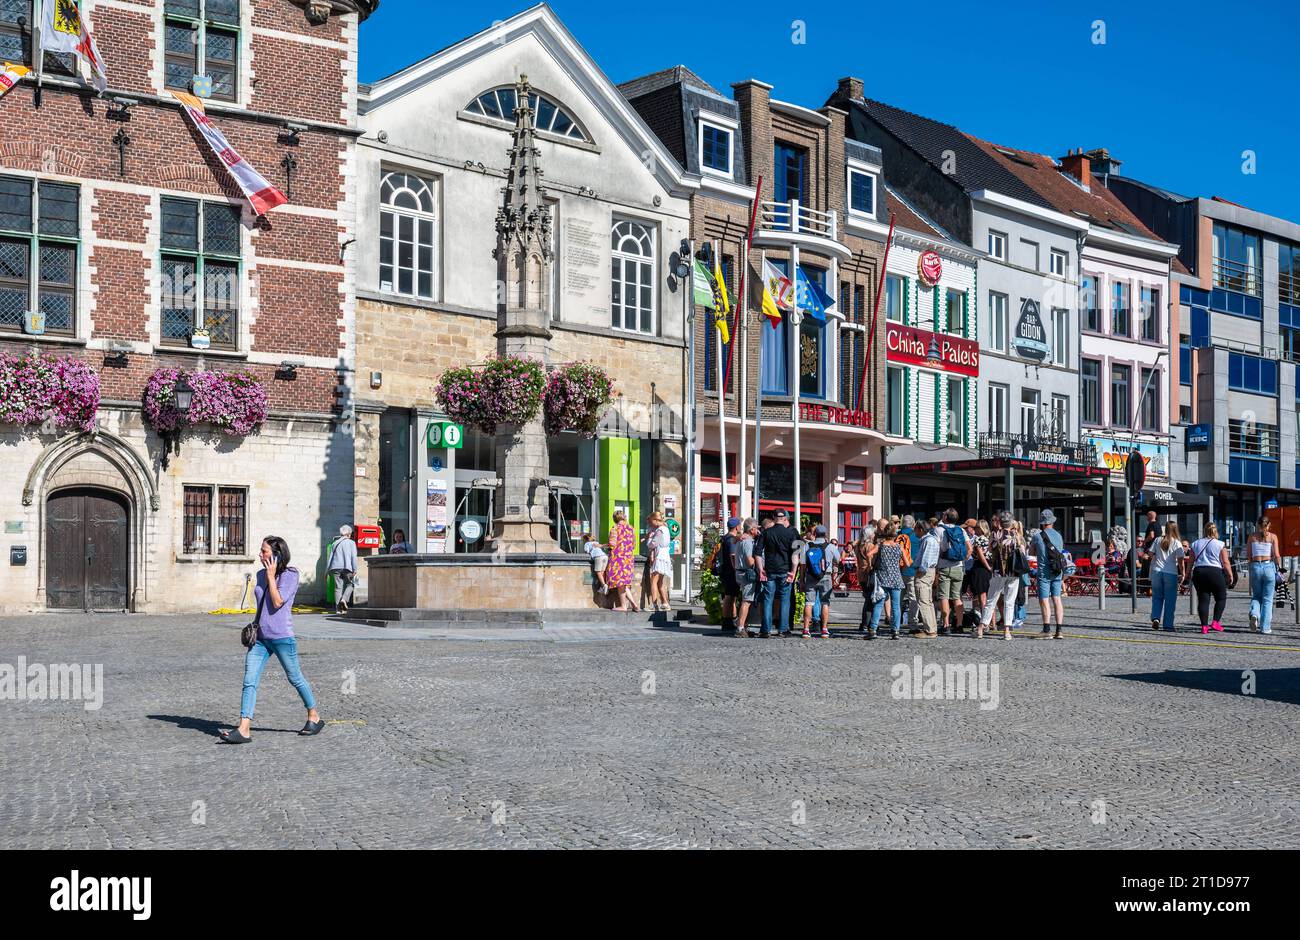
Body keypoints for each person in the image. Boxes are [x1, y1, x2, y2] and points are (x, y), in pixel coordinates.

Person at [220, 536, 323, 743]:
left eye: (264, 551)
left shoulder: (290, 575)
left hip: (282, 637)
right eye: (260, 551)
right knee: (249, 680)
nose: (260, 554)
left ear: (276, 555)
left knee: (294, 677)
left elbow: (277, 602)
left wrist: (271, 575)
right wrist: (266, 575)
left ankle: (314, 715)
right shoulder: (259, 574)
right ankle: (244, 728)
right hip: (260, 639)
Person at [755, 509, 798, 637]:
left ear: (773, 518)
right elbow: (796, 555)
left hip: (770, 570)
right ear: (784, 518)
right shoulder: (791, 533)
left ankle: (766, 629)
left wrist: (760, 570)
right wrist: (793, 572)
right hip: (785, 570)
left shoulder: (766, 533)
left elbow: (757, 553)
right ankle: (783, 629)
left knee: (768, 599)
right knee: (785, 600)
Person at [979, 511, 1022, 641]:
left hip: (998, 570)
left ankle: (981, 627)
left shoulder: (995, 534)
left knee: (991, 599)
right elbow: (1021, 550)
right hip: (1013, 571)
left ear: (1000, 522)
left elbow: (990, 550)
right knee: (1009, 601)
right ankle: (1007, 631)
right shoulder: (1016, 535)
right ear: (1011, 521)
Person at [1191, 522, 1235, 634]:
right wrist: (1230, 575)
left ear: (1204, 531)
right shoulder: (1220, 544)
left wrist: (1187, 574)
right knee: (1221, 598)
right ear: (1215, 531)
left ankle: (1204, 626)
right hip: (1214, 572)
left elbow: (1191, 561)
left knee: (1203, 599)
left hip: (1199, 572)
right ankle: (1215, 621)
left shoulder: (1195, 544)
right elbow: (1225, 562)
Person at [799, 524, 840, 639]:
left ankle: (806, 630)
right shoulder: (830, 546)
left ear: (814, 534)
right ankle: (824, 630)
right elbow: (838, 559)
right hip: (826, 577)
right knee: (825, 602)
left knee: (808, 603)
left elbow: (802, 564)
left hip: (810, 577)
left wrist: (801, 580)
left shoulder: (807, 545)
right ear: (825, 534)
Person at [864, 521, 904, 640]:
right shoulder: (899, 546)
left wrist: (871, 565)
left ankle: (873, 630)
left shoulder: (881, 545)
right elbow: (907, 562)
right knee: (896, 606)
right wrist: (898, 567)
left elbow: (869, 554)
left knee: (879, 604)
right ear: (895, 534)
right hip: (896, 578)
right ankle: (895, 631)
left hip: (882, 578)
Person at [1032, 509, 1067, 639]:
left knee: (1044, 600)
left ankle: (1046, 629)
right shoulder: (1059, 536)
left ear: (1042, 523)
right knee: (1057, 599)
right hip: (1057, 570)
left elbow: (1031, 552)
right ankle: (1059, 630)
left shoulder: (1037, 536)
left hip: (1044, 572)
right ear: (1052, 521)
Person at [1147, 521, 1186, 632]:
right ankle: (1168, 625)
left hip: (1156, 571)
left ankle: (1156, 618)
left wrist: (1156, 556)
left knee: (1157, 597)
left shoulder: (1158, 540)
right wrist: (1182, 573)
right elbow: (1181, 560)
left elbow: (1150, 554)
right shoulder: (1177, 543)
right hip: (1170, 572)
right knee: (1170, 600)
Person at [936, 509, 970, 635]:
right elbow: (969, 548)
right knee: (957, 597)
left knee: (944, 596)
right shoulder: (961, 530)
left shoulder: (939, 530)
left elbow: (937, 548)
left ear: (945, 517)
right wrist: (962, 559)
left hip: (944, 566)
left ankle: (946, 625)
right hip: (959, 567)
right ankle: (959, 624)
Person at [1247, 515, 1281, 635]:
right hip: (1268, 567)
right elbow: (1276, 555)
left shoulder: (1252, 537)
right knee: (1267, 599)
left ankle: (1255, 614)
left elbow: (1249, 556)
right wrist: (1279, 568)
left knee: (1256, 596)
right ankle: (1265, 628)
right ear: (1269, 525)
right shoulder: (1273, 537)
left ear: (1258, 525)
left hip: (1256, 566)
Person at [910, 519, 940, 637]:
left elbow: (926, 559)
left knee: (923, 601)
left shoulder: (928, 541)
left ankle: (930, 630)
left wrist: (919, 571)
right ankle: (932, 627)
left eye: (916, 529)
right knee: (928, 601)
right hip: (929, 571)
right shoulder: (931, 539)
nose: (915, 531)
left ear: (921, 530)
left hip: (924, 573)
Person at [606, 510, 640, 613]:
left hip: (618, 558)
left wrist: (601, 545)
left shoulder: (615, 529)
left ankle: (623, 606)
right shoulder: (631, 529)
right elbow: (634, 545)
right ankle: (634, 604)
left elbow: (612, 544)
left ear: (614, 519)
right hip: (628, 557)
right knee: (624, 583)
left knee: (620, 582)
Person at [731, 519, 759, 637]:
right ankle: (740, 628)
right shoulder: (747, 541)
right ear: (751, 530)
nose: (758, 530)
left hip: (739, 571)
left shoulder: (741, 540)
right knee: (746, 601)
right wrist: (759, 565)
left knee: (744, 599)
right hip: (746, 573)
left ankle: (743, 626)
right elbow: (750, 560)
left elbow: (733, 541)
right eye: (756, 528)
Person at [715, 517, 742, 632]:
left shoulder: (725, 538)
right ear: (736, 527)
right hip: (730, 572)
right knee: (729, 596)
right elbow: (732, 556)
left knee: (731, 596)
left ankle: (731, 619)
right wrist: (736, 569)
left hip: (726, 571)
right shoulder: (731, 540)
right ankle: (726, 620)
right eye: (740, 525)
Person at [327, 524, 358, 615]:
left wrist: (327, 571)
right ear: (348, 534)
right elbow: (353, 557)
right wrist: (355, 568)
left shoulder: (334, 543)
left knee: (338, 588)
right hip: (347, 567)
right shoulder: (351, 543)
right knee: (352, 583)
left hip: (335, 568)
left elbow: (330, 558)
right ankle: (344, 599)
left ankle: (338, 609)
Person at [645, 511, 673, 612]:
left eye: (652, 522)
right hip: (665, 557)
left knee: (653, 581)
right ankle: (665, 603)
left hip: (659, 557)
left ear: (656, 520)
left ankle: (654, 604)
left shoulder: (660, 530)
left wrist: (649, 538)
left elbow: (652, 544)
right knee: (660, 583)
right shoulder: (665, 529)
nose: (651, 525)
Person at [967, 519, 993, 626]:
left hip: (980, 569)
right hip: (989, 568)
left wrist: (987, 567)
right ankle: (992, 623)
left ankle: (983, 621)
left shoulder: (978, 540)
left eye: (977, 527)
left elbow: (980, 556)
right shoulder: (990, 539)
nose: (975, 530)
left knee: (982, 596)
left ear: (981, 528)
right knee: (990, 597)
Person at [897, 515, 920, 629]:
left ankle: (895, 621)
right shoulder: (917, 536)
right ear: (913, 523)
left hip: (898, 571)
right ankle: (913, 622)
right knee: (913, 598)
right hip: (912, 570)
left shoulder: (897, 535)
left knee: (897, 598)